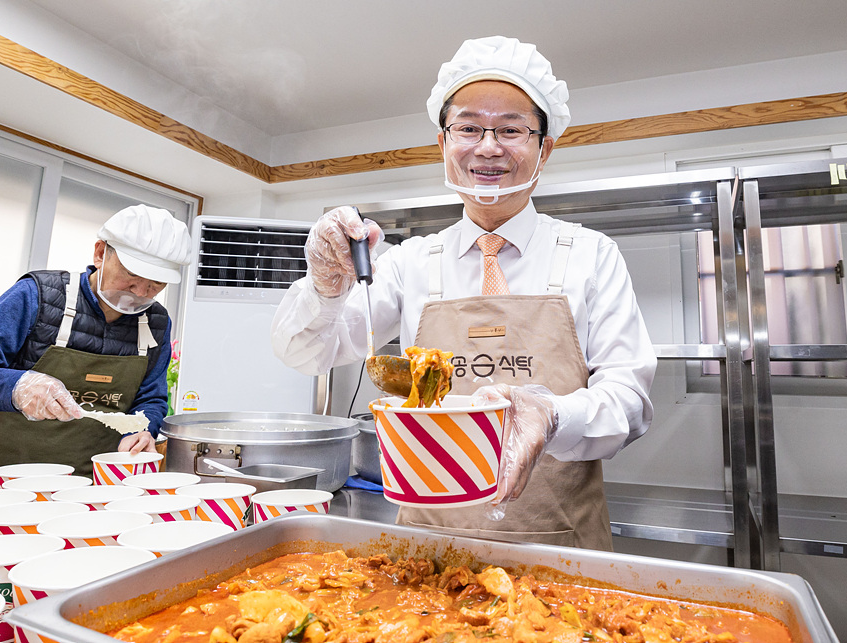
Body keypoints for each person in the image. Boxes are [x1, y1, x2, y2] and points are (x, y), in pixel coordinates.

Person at [272, 36, 657, 550]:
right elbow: (306, 352)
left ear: (544, 147)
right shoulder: (410, 262)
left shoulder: (591, 255)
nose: (489, 146)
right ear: (443, 144)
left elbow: (630, 401)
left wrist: (554, 416)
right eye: (469, 127)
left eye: (512, 129)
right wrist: (324, 287)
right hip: (428, 546)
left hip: (561, 547)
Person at [0, 205, 192, 478]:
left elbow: (151, 397)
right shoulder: (39, 296)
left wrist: (143, 430)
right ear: (101, 253)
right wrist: (17, 386)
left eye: (156, 284)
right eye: (131, 275)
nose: (140, 292)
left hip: (86, 487)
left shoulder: (155, 323)